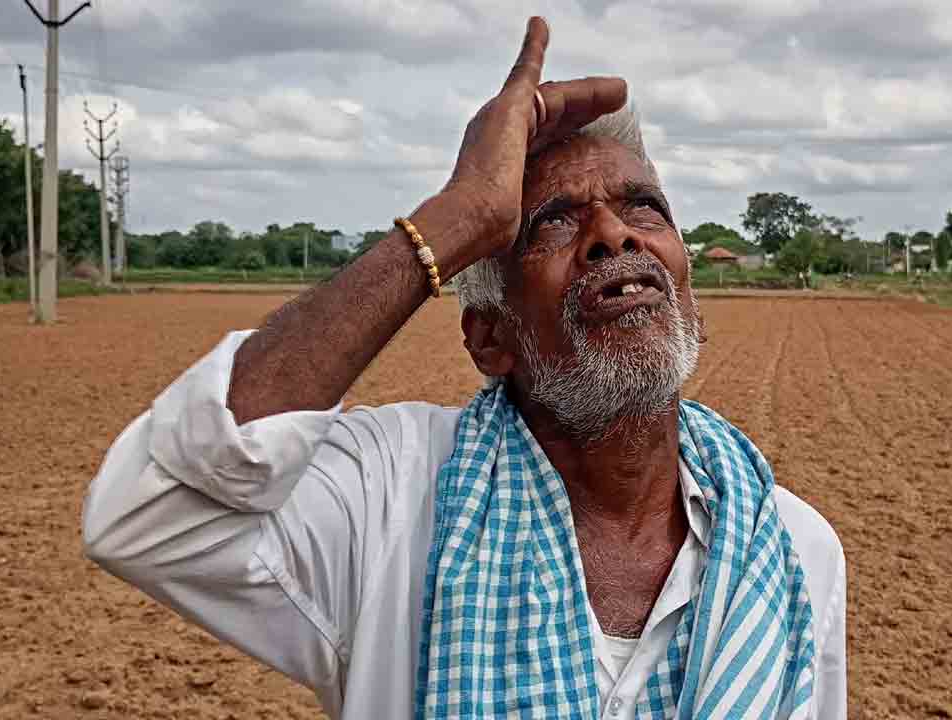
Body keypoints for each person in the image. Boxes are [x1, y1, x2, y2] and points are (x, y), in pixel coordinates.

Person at [82, 17, 846, 720]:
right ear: (489, 340)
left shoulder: (792, 552)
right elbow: (149, 515)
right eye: (554, 223)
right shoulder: (393, 502)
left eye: (643, 206)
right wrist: (457, 219)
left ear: (689, 298)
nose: (614, 235)